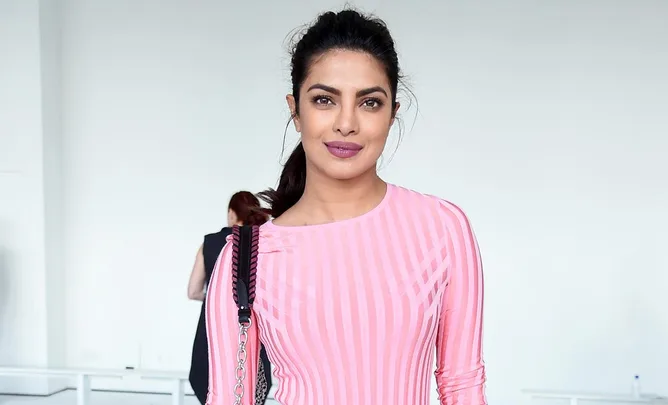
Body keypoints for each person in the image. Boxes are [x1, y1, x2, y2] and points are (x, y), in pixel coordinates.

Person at [205, 9, 487, 405]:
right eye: (324, 100)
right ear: (295, 110)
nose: (346, 123)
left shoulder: (442, 229)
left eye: (370, 102)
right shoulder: (247, 257)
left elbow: (462, 386)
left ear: (392, 114)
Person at [188, 191, 273, 405]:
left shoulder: (211, 243)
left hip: (212, 333)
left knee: (211, 386)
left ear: (232, 213)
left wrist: (220, 301)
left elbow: (193, 291)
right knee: (253, 387)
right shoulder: (265, 243)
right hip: (254, 330)